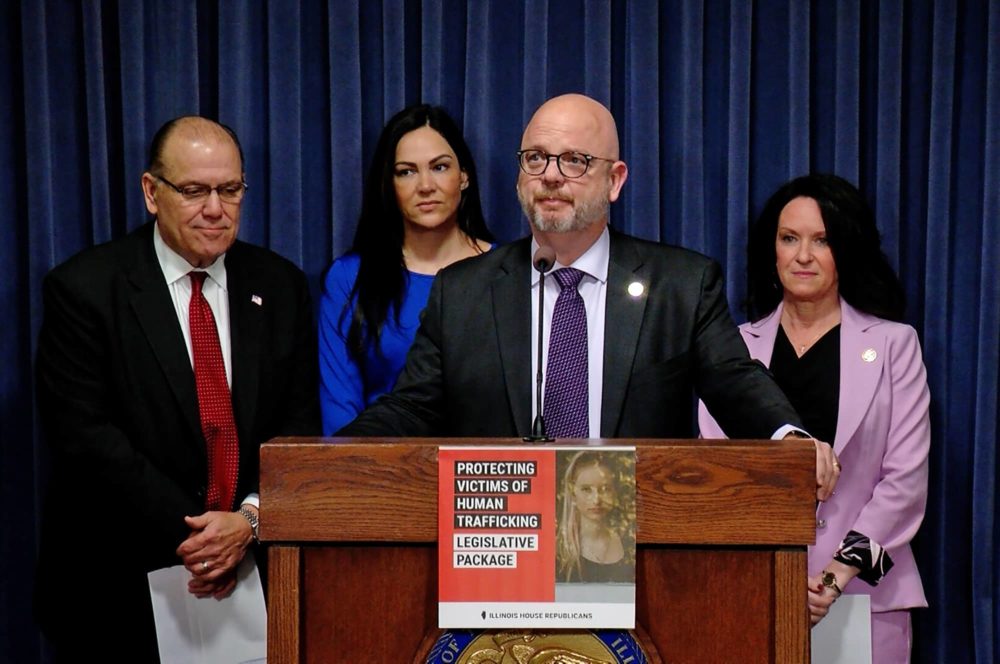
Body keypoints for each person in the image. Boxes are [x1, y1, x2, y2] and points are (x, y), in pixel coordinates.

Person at [340, 93, 839, 499]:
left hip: (639, 555)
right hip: (503, 560)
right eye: (536, 159)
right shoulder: (463, 291)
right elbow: (410, 409)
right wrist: (325, 455)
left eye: (575, 161)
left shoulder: (680, 285)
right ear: (518, 177)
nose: (551, 175)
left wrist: (789, 438)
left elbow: (734, 382)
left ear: (615, 180)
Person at [33, 116, 321, 661]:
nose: (215, 208)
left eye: (229, 190)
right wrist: (205, 540)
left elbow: (298, 424)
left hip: (251, 573)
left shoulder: (279, 285)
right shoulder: (85, 289)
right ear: (151, 192)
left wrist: (249, 522)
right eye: (194, 191)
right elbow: (86, 440)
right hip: (117, 585)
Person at [698, 174, 930, 663]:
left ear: (846, 249)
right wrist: (775, 578)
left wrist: (833, 577)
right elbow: (719, 474)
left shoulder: (894, 345)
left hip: (867, 597)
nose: (803, 256)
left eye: (821, 240)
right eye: (789, 239)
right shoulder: (731, 349)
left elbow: (904, 482)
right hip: (751, 594)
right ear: (772, 249)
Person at [319, 104, 494, 434]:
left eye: (440, 167)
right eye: (406, 171)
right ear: (389, 184)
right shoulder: (348, 278)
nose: (425, 186)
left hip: (484, 477)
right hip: (375, 475)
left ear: (465, 175)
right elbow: (339, 417)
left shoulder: (507, 272)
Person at [556, 451, 635, 583]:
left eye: (605, 489)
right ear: (573, 494)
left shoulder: (629, 543)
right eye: (586, 489)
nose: (596, 500)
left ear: (614, 491)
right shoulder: (558, 551)